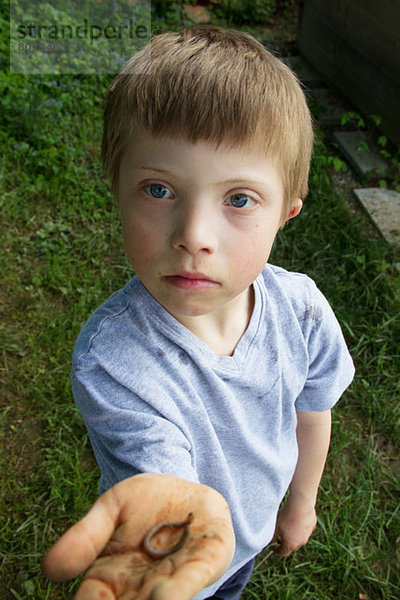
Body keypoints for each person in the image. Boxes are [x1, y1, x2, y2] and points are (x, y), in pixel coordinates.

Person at [43, 25, 355, 600]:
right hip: (179, 557)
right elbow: (159, 471)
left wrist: (301, 504)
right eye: (159, 189)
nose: (194, 236)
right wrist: (171, 518)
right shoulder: (114, 360)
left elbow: (313, 410)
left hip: (250, 535)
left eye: (239, 199)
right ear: (115, 187)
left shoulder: (303, 312)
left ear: (286, 212)